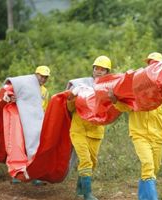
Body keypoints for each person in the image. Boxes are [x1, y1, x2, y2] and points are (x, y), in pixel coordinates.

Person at [108, 52, 162, 200]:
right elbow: (124, 106)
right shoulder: (136, 87)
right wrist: (114, 100)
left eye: (156, 64)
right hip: (139, 134)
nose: (152, 66)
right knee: (148, 166)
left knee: (153, 170)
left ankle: (143, 197)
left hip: (159, 137)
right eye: (150, 64)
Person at [67, 56, 111, 200]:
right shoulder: (80, 85)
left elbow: (111, 110)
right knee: (85, 160)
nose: (98, 71)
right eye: (96, 68)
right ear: (92, 70)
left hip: (96, 131)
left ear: (107, 72)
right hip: (78, 129)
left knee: (92, 163)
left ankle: (80, 189)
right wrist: (72, 97)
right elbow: (69, 107)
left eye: (102, 69)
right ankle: (87, 194)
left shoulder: (108, 88)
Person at [6, 65, 50, 186]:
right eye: (41, 76)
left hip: (36, 121)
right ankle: (18, 174)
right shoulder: (24, 85)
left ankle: (34, 175)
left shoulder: (45, 91)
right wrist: (11, 98)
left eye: (45, 77)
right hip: (21, 119)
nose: (43, 79)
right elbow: (7, 94)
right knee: (20, 146)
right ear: (35, 75)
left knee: (35, 147)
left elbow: (44, 107)